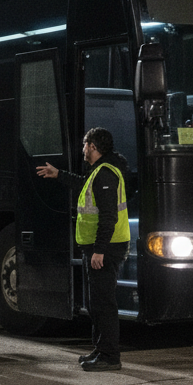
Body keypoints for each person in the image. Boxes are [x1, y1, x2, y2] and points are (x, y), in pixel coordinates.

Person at [36, 127, 130, 371]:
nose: (82, 149)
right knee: (95, 302)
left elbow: (108, 217)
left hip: (105, 249)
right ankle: (100, 349)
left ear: (93, 147)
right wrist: (59, 175)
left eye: (85, 144)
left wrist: (99, 250)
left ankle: (110, 356)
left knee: (103, 303)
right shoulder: (99, 171)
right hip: (99, 248)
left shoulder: (106, 174)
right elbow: (83, 184)